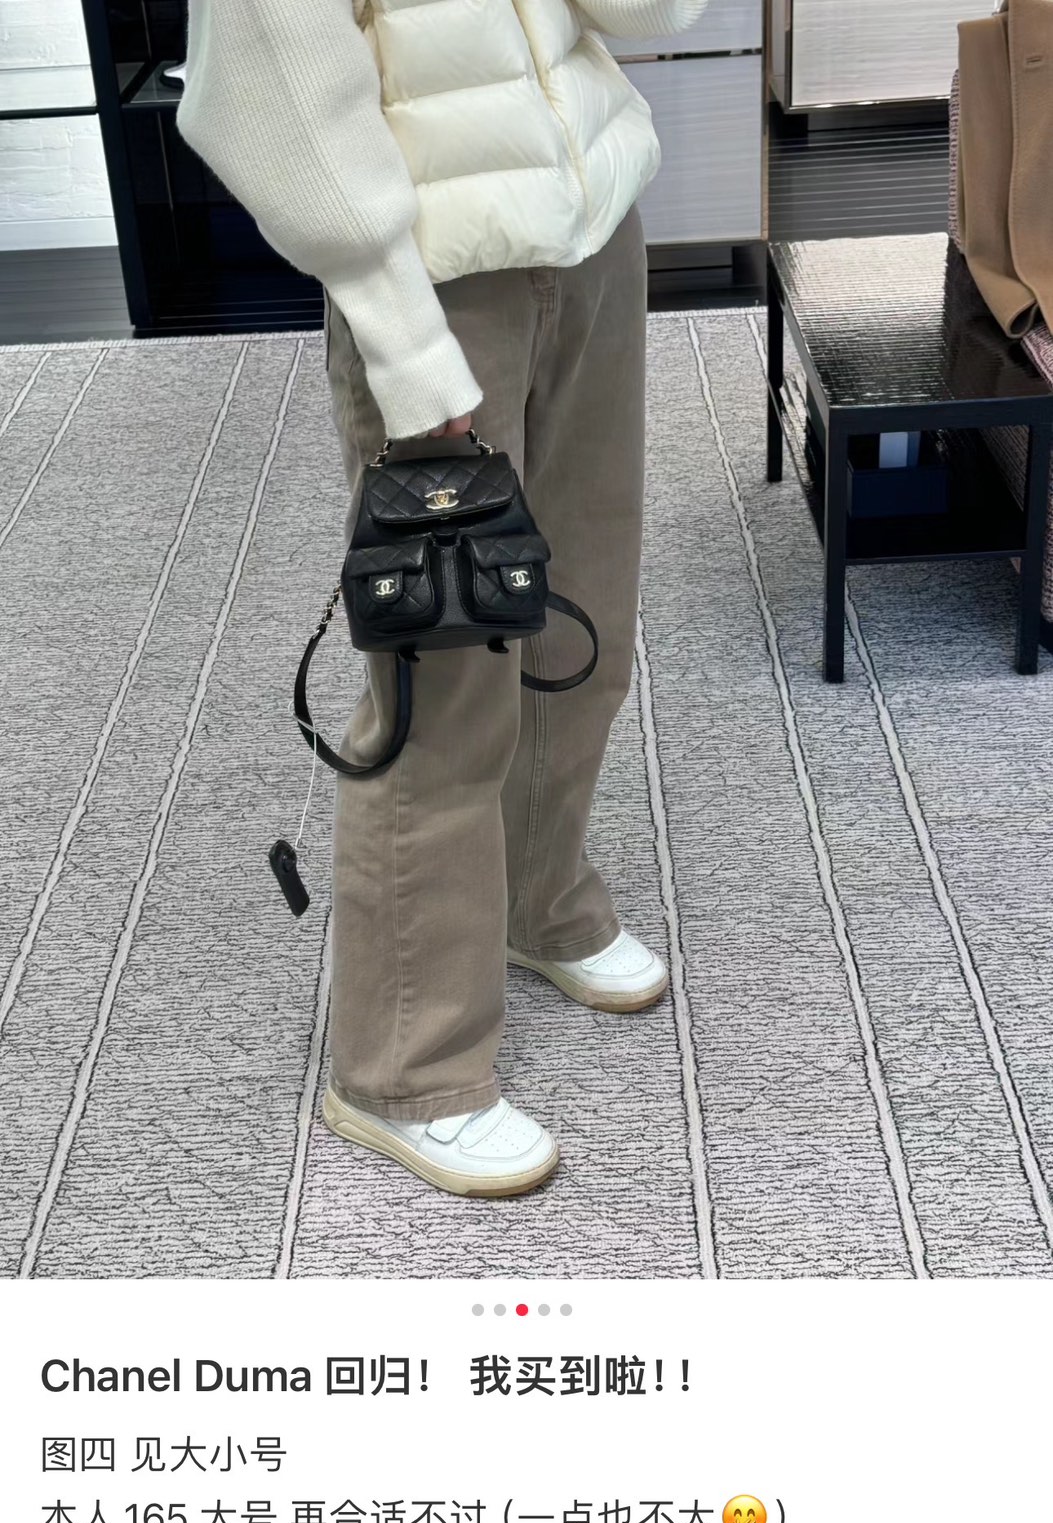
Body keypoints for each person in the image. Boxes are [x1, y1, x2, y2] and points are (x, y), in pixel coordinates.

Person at [177, 0, 712, 1198]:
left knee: (581, 618)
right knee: (445, 681)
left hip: (588, 221)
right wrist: (405, 343)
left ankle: (537, 897)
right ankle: (404, 1066)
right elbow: (274, 85)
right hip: (434, 284)